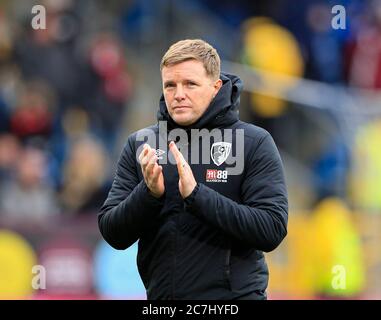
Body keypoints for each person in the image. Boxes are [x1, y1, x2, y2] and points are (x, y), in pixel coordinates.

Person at [98, 39, 288, 300]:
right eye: (170, 85)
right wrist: (148, 193)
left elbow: (272, 229)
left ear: (215, 86)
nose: (178, 95)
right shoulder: (142, 144)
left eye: (190, 84)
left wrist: (198, 196)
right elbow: (112, 232)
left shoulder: (253, 142)